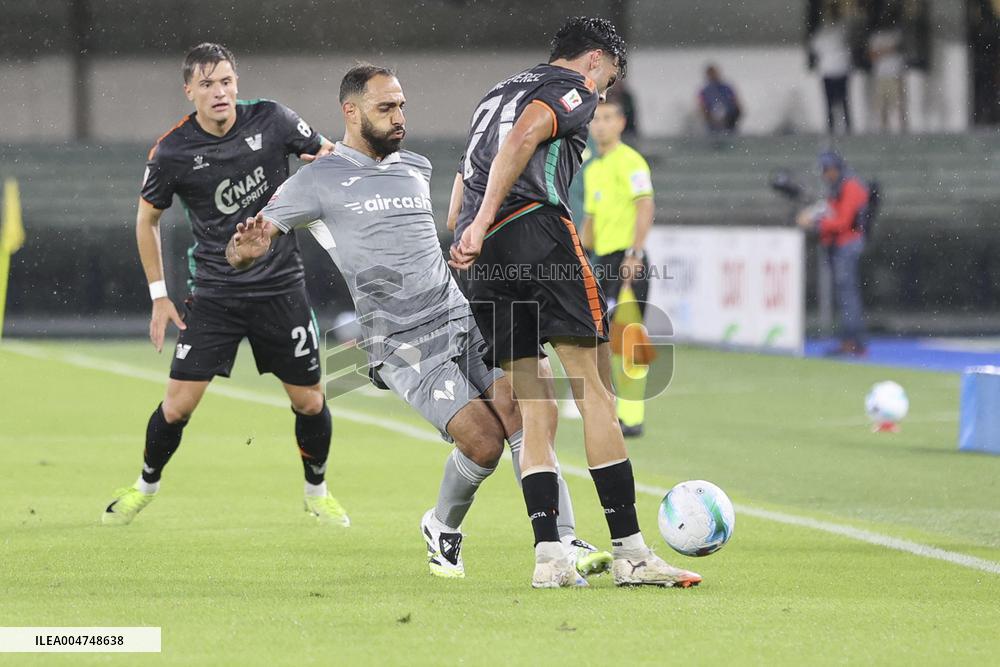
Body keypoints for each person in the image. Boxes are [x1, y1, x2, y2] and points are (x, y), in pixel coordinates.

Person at [228, 64, 611, 583]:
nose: (399, 116)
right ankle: (441, 526)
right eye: (386, 108)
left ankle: (562, 538)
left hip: (459, 314)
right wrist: (244, 250)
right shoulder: (316, 179)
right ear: (352, 111)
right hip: (403, 341)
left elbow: (450, 218)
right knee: (483, 443)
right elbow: (252, 241)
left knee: (524, 411)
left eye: (401, 105)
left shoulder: (416, 165)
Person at [449, 17, 701, 589]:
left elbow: (466, 181)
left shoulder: (495, 93)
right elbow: (524, 139)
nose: (605, 92)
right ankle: (632, 554)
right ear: (594, 60)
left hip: (484, 255)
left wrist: (472, 228)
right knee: (597, 396)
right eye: (608, 75)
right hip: (537, 232)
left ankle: (550, 558)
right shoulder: (572, 90)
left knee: (535, 407)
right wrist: (493, 216)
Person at [100, 44, 345, 527]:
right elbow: (146, 220)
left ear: (237, 83)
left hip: (281, 289)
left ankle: (317, 491)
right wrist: (158, 296)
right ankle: (144, 486)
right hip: (216, 295)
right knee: (177, 406)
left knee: (310, 400)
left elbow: (328, 158)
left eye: (227, 81)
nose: (220, 92)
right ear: (189, 90)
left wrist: (331, 166)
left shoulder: (273, 120)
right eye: (208, 84)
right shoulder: (172, 151)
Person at [581, 99, 655, 438]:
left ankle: (632, 417)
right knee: (604, 341)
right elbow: (591, 223)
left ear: (621, 123)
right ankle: (614, 410)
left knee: (629, 342)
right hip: (603, 262)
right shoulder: (594, 168)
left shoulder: (631, 161)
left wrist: (635, 254)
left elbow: (645, 206)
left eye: (608, 118)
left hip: (627, 258)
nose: (600, 125)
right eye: (596, 119)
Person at [797, 150, 868, 356]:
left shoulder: (851, 187)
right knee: (846, 296)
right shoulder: (840, 186)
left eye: (827, 170)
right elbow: (830, 210)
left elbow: (843, 222)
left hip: (847, 244)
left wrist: (817, 224)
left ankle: (854, 342)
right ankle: (851, 340)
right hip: (841, 244)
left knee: (848, 296)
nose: (825, 175)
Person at [810, 4, 853, 134]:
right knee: (842, 100)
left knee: (832, 102)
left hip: (831, 69)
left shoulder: (826, 30)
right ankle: (844, 127)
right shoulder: (842, 29)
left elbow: (815, 47)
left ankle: (834, 128)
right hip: (838, 68)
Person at [869, 16, 907, 132]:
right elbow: (872, 55)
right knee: (881, 105)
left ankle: (901, 129)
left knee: (898, 105)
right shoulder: (876, 37)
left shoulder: (897, 35)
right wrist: (887, 50)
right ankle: (884, 130)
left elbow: (900, 50)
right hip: (881, 75)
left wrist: (883, 51)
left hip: (895, 74)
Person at [697, 64, 741, 134]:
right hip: (712, 125)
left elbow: (736, 104)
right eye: (710, 74)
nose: (713, 76)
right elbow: (702, 107)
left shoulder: (727, 88)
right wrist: (710, 119)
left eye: (714, 73)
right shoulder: (705, 91)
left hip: (729, 122)